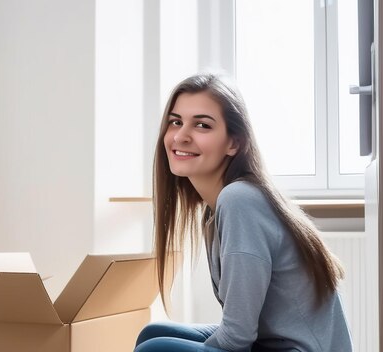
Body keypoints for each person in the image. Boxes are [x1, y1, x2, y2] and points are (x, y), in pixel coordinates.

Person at [134, 73, 353, 352]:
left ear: (234, 143)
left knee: (155, 350)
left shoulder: (239, 200)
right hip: (272, 343)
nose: (180, 136)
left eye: (202, 125)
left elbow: (237, 337)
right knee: (153, 333)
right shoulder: (215, 209)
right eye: (176, 122)